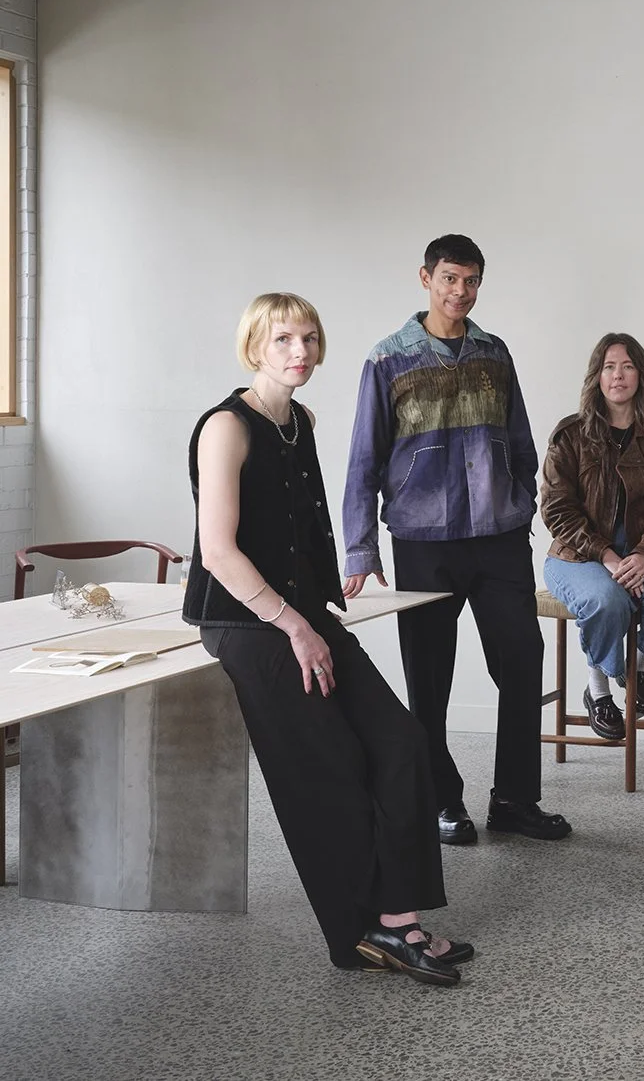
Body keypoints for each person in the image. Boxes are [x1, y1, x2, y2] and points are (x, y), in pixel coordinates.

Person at [185, 293, 471, 986]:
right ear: (254, 344)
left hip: (303, 612)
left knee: (400, 742)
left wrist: (319, 607)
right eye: (284, 338)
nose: (300, 351)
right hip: (246, 621)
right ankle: (369, 930)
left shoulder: (300, 420)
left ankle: (397, 919)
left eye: (310, 338)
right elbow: (219, 552)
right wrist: (293, 626)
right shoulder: (226, 426)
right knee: (334, 766)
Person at [342, 234, 569, 846]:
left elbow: (522, 441)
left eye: (470, 281)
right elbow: (364, 459)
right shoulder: (388, 359)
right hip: (424, 543)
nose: (460, 292)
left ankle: (516, 800)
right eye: (449, 279)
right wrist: (359, 549)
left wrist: (520, 504)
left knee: (522, 663)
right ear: (425, 279)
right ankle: (443, 802)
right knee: (429, 679)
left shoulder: (495, 354)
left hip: (498, 539)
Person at [541, 333, 644, 739]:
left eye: (627, 366)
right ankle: (599, 689)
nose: (618, 375)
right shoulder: (571, 435)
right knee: (606, 599)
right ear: (597, 377)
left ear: (640, 375)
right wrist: (605, 555)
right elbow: (556, 509)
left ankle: (637, 669)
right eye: (609, 366)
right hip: (577, 557)